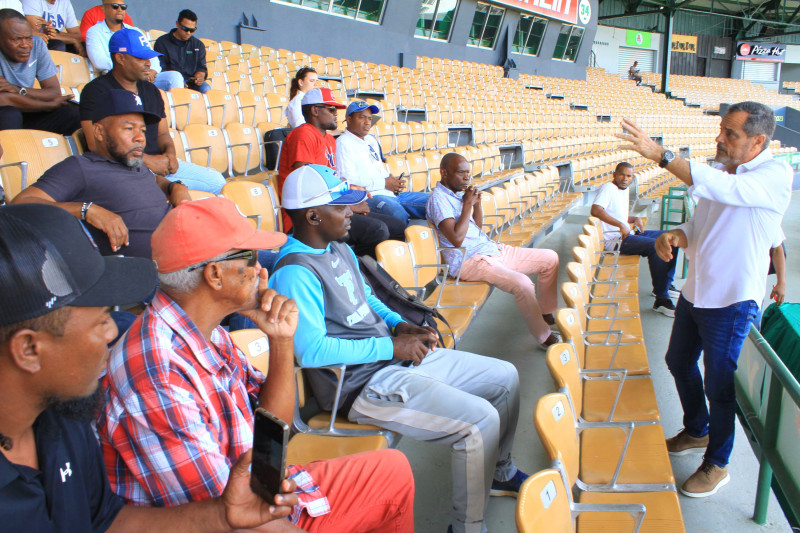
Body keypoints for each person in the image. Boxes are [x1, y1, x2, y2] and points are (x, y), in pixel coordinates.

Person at [98, 196, 415, 532]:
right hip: (232, 519)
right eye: (249, 258)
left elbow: (274, 425)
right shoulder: (158, 377)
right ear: (215, 275)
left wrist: (281, 340)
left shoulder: (208, 332)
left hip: (260, 490)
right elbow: (231, 519)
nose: (262, 270)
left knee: (392, 470)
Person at [0, 202, 303, 532]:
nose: (113, 331)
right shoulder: (151, 373)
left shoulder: (64, 417)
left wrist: (220, 514)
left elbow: (107, 521)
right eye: (101, 320)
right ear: (29, 350)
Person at [271, 163, 526, 533]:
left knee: (506, 376)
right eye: (341, 206)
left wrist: (398, 323)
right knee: (478, 422)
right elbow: (312, 352)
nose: (352, 212)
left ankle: (499, 471)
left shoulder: (336, 247)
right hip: (360, 385)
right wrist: (392, 345)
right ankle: (468, 527)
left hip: (393, 359)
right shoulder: (294, 271)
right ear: (312, 215)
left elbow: (368, 299)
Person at [617, 101, 792, 498]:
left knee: (721, 385)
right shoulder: (722, 172)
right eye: (721, 130)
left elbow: (726, 191)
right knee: (677, 361)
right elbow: (702, 222)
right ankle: (697, 429)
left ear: (758, 141)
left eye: (731, 133)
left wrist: (661, 155)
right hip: (698, 292)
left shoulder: (774, 173)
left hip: (732, 301)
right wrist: (676, 234)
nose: (720, 138)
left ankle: (718, 462)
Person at [11, 88, 188, 258]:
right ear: (99, 132)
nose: (140, 137)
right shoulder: (80, 167)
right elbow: (20, 205)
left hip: (186, 246)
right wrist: (86, 210)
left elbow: (154, 181)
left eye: (142, 130)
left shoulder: (134, 163)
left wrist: (174, 187)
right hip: (155, 272)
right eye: (129, 128)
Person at [427, 153, 560, 349]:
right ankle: (543, 336)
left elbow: (476, 230)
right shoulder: (438, 200)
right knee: (523, 284)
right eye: (461, 173)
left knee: (550, 258)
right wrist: (467, 205)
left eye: (468, 173)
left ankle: (546, 311)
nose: (466, 178)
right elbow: (456, 240)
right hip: (469, 261)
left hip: (491, 250)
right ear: (444, 173)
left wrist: (477, 206)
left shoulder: (456, 195)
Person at [79, 28, 225, 194]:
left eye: (148, 57)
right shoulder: (95, 91)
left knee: (217, 182)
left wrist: (170, 155)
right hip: (122, 169)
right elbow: (95, 145)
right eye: (141, 58)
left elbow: (162, 133)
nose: (148, 63)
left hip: (159, 164)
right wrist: (147, 161)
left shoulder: (151, 91)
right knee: (173, 193)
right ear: (120, 58)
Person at [277, 86, 404, 258]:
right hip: (307, 217)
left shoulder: (329, 139)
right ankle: (348, 273)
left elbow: (334, 179)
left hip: (329, 207)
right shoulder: (303, 134)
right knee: (377, 230)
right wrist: (348, 206)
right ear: (314, 110)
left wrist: (352, 195)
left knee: (397, 226)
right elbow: (307, 186)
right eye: (331, 109)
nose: (336, 113)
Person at [591, 161, 679, 316]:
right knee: (655, 246)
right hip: (615, 241)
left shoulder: (623, 190)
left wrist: (634, 219)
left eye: (629, 176)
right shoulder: (608, 188)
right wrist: (620, 225)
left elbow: (618, 215)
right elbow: (596, 210)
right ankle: (661, 298)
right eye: (622, 174)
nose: (625, 178)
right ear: (614, 174)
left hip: (627, 234)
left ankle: (666, 284)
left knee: (671, 238)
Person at [336, 100, 429, 225]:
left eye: (369, 118)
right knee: (397, 214)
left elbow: (377, 168)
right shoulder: (343, 143)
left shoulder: (371, 140)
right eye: (362, 117)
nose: (367, 122)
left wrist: (392, 182)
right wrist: (384, 183)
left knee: (433, 201)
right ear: (349, 119)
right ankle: (402, 244)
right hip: (370, 196)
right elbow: (348, 180)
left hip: (390, 193)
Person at [0, 9, 78, 133]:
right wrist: (48, 105)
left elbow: (53, 92)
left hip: (28, 109)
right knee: (10, 114)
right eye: (17, 39)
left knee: (72, 112)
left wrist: (17, 89)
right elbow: (4, 99)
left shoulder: (37, 45)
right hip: (6, 113)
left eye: (28, 38)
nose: (25, 45)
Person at [85, 0, 183, 91]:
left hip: (143, 75)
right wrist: (133, 69)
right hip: (117, 79)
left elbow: (152, 56)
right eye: (115, 6)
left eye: (123, 7)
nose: (120, 10)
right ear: (104, 8)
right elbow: (99, 62)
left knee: (174, 77)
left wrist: (153, 70)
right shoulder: (94, 32)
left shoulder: (135, 31)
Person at [154, 9, 209, 93]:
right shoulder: (162, 42)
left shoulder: (198, 45)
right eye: (185, 29)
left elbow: (202, 67)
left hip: (192, 83)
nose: (188, 33)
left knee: (206, 89)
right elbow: (161, 68)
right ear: (177, 24)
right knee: (176, 81)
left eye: (192, 30)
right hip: (171, 81)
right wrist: (180, 82)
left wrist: (200, 76)